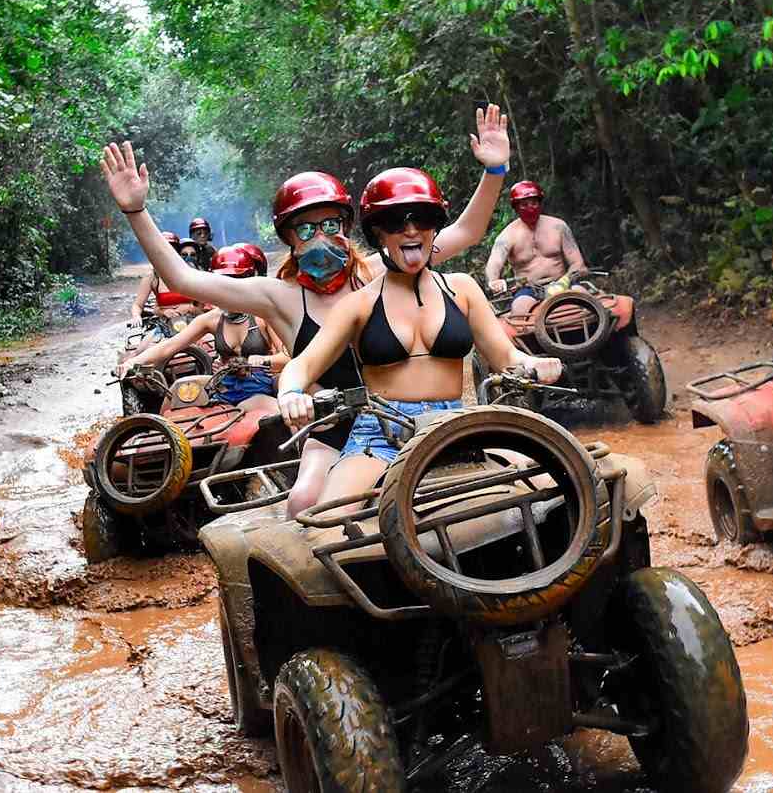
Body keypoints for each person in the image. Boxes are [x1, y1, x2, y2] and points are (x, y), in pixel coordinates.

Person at [100, 105, 515, 514]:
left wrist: (493, 171)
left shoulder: (378, 270)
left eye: (331, 226)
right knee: (304, 502)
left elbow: (466, 231)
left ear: (348, 229)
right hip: (330, 425)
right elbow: (185, 281)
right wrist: (135, 211)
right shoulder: (277, 296)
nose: (320, 238)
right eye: (306, 229)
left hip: (408, 416)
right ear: (289, 238)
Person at [276, 167, 563, 514]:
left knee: (555, 488)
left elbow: (506, 356)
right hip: (380, 436)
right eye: (396, 221)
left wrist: (535, 364)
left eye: (423, 219)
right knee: (328, 524)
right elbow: (302, 366)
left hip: (454, 425)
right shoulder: (358, 304)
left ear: (434, 227)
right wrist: (291, 394)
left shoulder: (462, 288)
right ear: (378, 232)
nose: (411, 230)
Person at [131, 244, 285, 411]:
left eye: (234, 282)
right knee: (175, 397)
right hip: (223, 387)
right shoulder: (211, 319)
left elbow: (289, 357)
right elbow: (170, 345)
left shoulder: (264, 315)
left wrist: (262, 360)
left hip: (259, 386)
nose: (228, 289)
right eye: (223, 283)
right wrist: (133, 362)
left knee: (279, 413)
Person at [484, 180, 588, 315]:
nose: (530, 207)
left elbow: (578, 263)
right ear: (516, 207)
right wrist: (494, 281)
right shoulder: (507, 235)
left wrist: (564, 281)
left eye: (534, 202)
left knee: (584, 296)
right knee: (520, 309)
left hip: (562, 282)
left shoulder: (558, 226)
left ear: (540, 202)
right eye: (524, 204)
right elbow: (494, 264)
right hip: (529, 289)